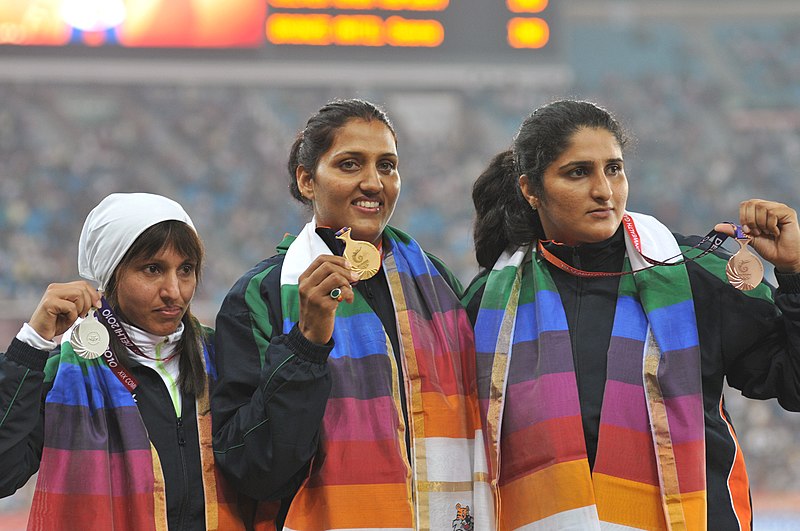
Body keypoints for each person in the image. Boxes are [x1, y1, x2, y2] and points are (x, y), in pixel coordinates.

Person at [464, 99, 800, 530]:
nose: (604, 190)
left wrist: (793, 274)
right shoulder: (489, 301)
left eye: (614, 169)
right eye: (578, 172)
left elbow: (793, 382)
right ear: (531, 190)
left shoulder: (692, 272)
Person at [211, 99, 490, 530]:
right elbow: (252, 468)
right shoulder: (259, 295)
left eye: (387, 166)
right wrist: (307, 343)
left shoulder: (437, 285)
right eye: (349, 164)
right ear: (307, 180)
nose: (373, 183)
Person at [0, 193, 245, 530]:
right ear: (112, 276)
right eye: (153, 269)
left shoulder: (222, 356)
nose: (174, 290)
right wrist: (32, 343)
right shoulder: (68, 371)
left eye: (185, 269)